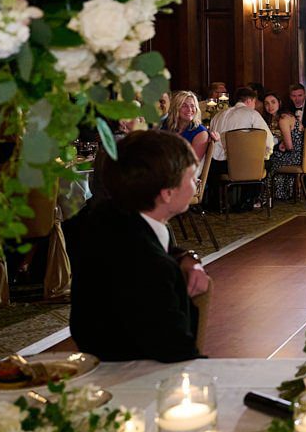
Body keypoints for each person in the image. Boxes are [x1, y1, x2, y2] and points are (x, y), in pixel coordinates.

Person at [65, 130, 210, 362]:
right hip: (133, 379)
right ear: (168, 194)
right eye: (192, 179)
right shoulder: (150, 266)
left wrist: (184, 256)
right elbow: (177, 353)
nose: (197, 184)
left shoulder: (103, 219)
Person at [264, 91, 302, 202]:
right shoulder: (275, 118)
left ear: (279, 103)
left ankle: (265, 196)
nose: (270, 106)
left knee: (265, 161)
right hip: (294, 154)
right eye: (266, 103)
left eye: (273, 102)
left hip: (294, 156)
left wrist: (282, 144)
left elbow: (290, 146)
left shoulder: (283, 118)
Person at [161, 90, 211, 161]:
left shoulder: (200, 132)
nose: (189, 109)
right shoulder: (167, 126)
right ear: (175, 108)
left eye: (192, 106)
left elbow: (192, 164)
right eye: (184, 106)